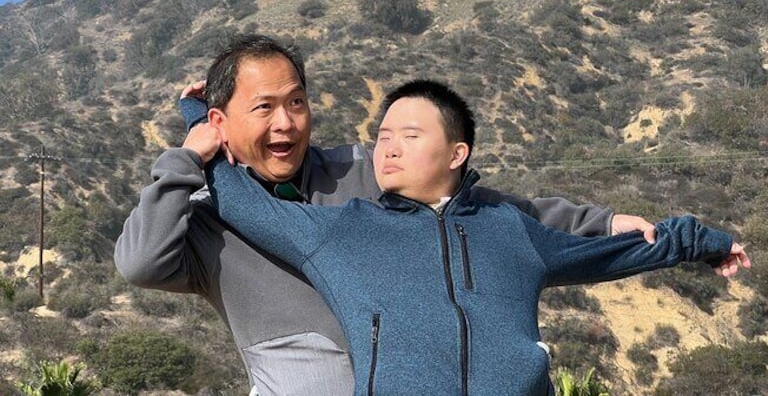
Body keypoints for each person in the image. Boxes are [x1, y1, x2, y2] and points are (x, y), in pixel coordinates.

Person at [115, 34, 673, 395]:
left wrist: (600, 223)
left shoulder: (362, 171)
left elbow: (484, 213)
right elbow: (140, 264)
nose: (285, 123)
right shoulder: (208, 219)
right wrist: (188, 156)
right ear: (219, 120)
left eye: (296, 102)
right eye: (263, 108)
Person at [191, 79, 750, 395]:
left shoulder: (509, 229)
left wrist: (707, 242)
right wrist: (200, 119)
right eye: (382, 137)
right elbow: (242, 200)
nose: (387, 148)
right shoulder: (342, 231)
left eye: (409, 135)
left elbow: (618, 250)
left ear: (457, 154)